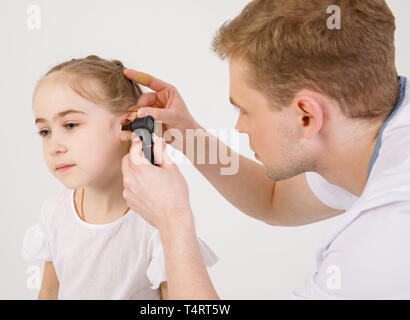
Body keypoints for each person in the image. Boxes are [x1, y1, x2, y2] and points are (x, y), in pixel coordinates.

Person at [120, 0, 410, 299]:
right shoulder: (369, 131)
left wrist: (173, 221)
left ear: (307, 116)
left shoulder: (384, 242)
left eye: (245, 110)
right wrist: (187, 135)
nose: (239, 128)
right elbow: (274, 197)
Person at [21, 55, 218, 300]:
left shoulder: (158, 223)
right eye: (45, 131)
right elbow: (49, 293)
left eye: (70, 125)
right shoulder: (54, 213)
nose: (54, 146)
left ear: (129, 124)